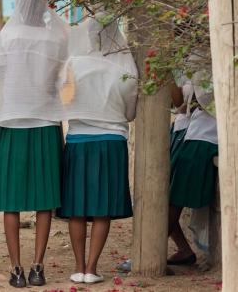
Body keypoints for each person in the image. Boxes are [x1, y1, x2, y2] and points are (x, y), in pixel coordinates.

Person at [0, 0, 68, 288]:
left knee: (11, 201)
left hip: (12, 121)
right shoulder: (54, 38)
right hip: (46, 121)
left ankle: (16, 269)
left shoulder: (8, 36)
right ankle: (38, 267)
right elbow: (61, 80)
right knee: (44, 200)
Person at [58, 16, 138, 284]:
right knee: (102, 208)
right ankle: (92, 269)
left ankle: (78, 267)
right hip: (112, 142)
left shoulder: (72, 65)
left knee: (77, 208)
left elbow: (63, 101)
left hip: (79, 140)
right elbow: (130, 114)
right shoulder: (125, 69)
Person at [168, 75, 218, 266]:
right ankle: (184, 250)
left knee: (174, 198)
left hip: (205, 133)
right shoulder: (190, 60)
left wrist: (193, 103)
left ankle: (150, 253)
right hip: (187, 129)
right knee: (165, 196)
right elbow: (180, 105)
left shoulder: (210, 62)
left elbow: (204, 102)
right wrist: (168, 77)